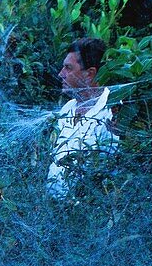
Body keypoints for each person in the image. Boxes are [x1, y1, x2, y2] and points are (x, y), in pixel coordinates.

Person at [47, 37, 119, 200]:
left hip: (87, 209)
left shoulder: (111, 110)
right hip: (53, 208)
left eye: (68, 68)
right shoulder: (68, 108)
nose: (61, 74)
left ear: (90, 73)